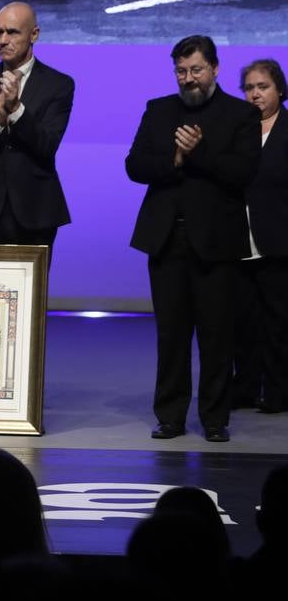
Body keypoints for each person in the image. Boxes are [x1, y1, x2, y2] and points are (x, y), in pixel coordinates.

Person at [126, 35, 260, 443]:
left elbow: (242, 172)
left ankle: (215, 418)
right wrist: (175, 159)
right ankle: (170, 415)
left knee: (217, 334)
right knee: (171, 333)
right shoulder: (159, 109)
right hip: (166, 239)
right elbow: (135, 165)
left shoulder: (240, 115)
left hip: (216, 242)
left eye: (196, 70)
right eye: (181, 72)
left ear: (215, 69)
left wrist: (196, 154)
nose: (189, 79)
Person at [0, 2, 74, 255]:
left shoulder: (58, 85)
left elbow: (48, 145)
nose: (3, 40)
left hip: (36, 210)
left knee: (31, 294)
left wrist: (17, 110)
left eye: (12, 32)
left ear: (34, 34)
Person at [237, 58, 288, 414]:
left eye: (262, 87)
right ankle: (244, 390)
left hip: (280, 241)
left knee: (279, 322)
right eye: (250, 88)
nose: (255, 94)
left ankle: (278, 391)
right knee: (243, 322)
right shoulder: (237, 128)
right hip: (238, 242)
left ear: (280, 90)